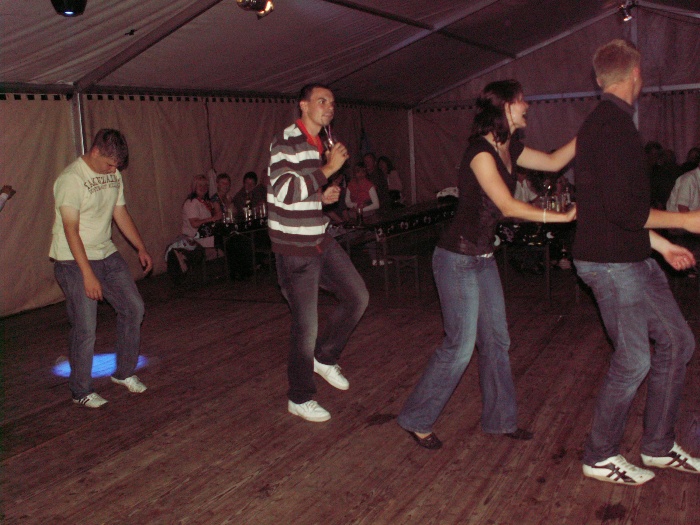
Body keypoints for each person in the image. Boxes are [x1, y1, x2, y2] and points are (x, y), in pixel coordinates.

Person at [397, 79, 577, 449]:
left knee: (496, 340)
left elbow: (554, 161)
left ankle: (500, 420)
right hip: (456, 258)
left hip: (482, 257)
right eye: (521, 100)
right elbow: (507, 206)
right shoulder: (480, 152)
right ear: (505, 107)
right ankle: (416, 417)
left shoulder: (510, 147)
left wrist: (586, 134)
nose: (527, 106)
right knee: (460, 346)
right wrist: (560, 217)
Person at [573, 39, 700, 486]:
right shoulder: (612, 128)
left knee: (678, 343)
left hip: (628, 254)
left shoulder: (607, 124)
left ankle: (658, 445)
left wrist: (661, 246)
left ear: (600, 79)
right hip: (611, 263)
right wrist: (687, 221)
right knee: (633, 360)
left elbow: (610, 210)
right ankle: (599, 456)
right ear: (635, 76)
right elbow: (625, 211)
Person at [268, 83, 369, 423]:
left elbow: (303, 191)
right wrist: (328, 169)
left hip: (318, 236)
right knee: (305, 326)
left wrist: (322, 197)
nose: (329, 107)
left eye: (332, 103)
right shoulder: (287, 141)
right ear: (303, 106)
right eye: (321, 101)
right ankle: (299, 397)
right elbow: (284, 190)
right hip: (294, 247)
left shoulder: (318, 142)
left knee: (358, 296)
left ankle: (324, 358)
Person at [50, 129, 152, 408]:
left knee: (133, 308)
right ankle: (81, 390)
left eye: (116, 166)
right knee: (86, 326)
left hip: (106, 253)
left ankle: (124, 373)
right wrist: (87, 274)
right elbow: (70, 229)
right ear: (95, 152)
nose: (113, 170)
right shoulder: (71, 179)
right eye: (109, 164)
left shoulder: (113, 174)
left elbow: (120, 212)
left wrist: (140, 247)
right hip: (73, 260)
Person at [182, 174, 222, 249]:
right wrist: (212, 219)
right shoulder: (191, 203)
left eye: (206, 185)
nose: (203, 188)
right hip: (196, 243)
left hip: (206, 240)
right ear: (195, 187)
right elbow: (194, 223)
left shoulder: (204, 201)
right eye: (200, 185)